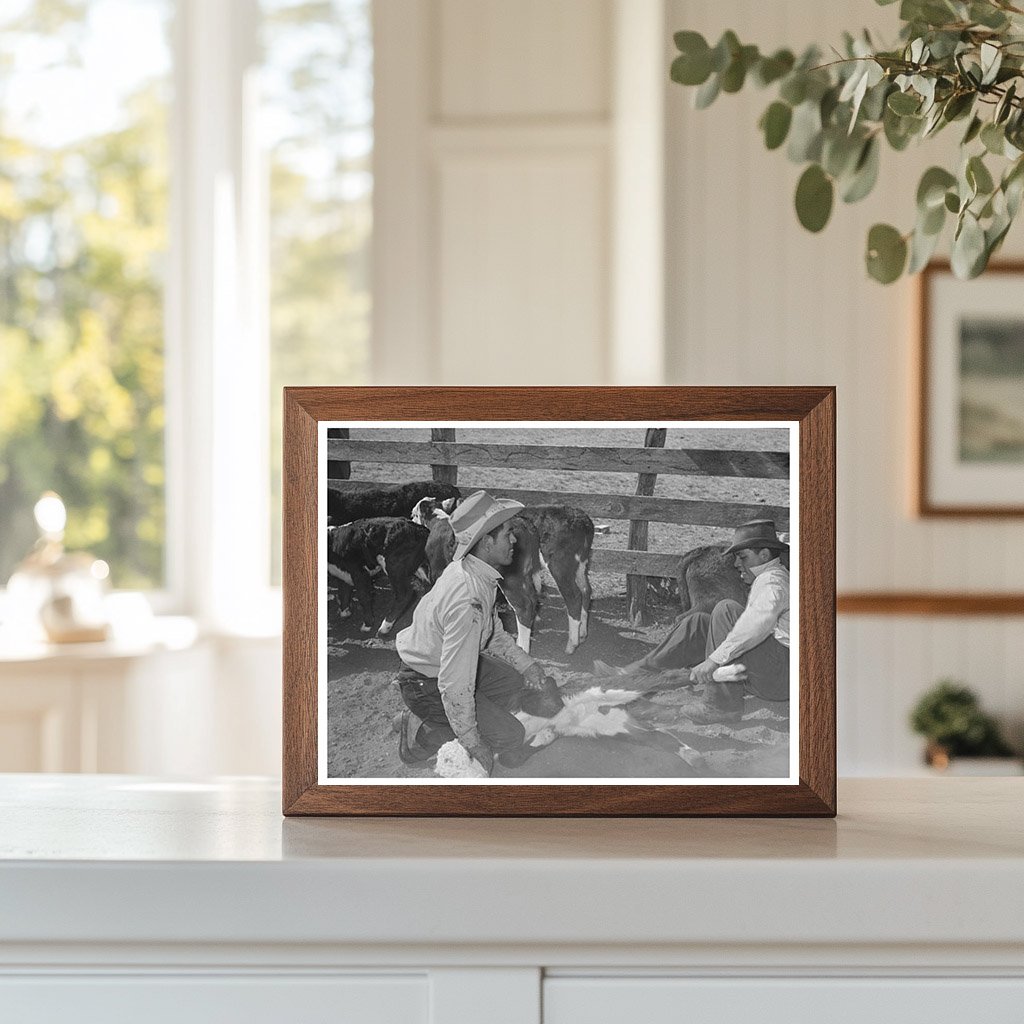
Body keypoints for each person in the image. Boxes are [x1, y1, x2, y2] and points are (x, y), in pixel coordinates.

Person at [393, 490, 548, 774]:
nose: (513, 539)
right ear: (487, 542)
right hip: (425, 682)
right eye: (507, 534)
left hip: (433, 666)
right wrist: (473, 740)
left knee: (512, 680)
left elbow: (493, 634)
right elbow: (454, 683)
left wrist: (527, 666)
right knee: (510, 736)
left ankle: (447, 717)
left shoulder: (475, 573)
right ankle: (424, 733)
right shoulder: (468, 597)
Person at [594, 520, 790, 724]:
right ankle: (632, 677)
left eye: (742, 557)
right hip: (773, 669)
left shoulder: (773, 582)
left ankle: (720, 706)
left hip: (781, 678)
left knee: (726, 610)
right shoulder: (770, 579)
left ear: (765, 555)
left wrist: (713, 661)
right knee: (698, 622)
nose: (736, 564)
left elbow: (756, 626)